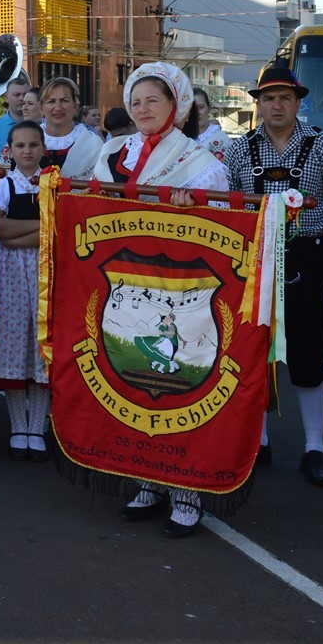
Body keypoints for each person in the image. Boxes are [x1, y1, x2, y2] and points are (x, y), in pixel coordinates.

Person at [95, 63, 230, 538]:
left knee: (178, 384)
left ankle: (186, 490)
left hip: (180, 287)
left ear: (176, 106)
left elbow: (223, 219)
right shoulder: (112, 153)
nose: (142, 108)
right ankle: (145, 481)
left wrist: (195, 204)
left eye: (153, 100)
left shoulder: (200, 159)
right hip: (126, 284)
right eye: (136, 100)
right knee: (131, 377)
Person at [224, 61, 323, 488]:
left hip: (306, 256)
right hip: (252, 257)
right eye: (268, 98)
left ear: (298, 102)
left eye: (285, 97)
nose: (276, 105)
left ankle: (313, 447)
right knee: (252, 347)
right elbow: (225, 206)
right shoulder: (238, 149)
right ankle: (257, 442)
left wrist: (306, 224)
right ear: (258, 104)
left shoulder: (322, 146)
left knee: (306, 350)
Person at [0, 119, 49, 460]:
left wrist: (18, 232)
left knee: (40, 348)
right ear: (10, 150)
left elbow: (11, 229)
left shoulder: (53, 185)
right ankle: (17, 426)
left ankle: (37, 427)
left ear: (43, 149)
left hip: (45, 274)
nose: (27, 151)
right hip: (9, 275)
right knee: (15, 347)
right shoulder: (4, 185)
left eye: (33, 145)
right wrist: (45, 226)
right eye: (20, 146)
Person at [35, 77, 103, 177]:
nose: (58, 108)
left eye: (64, 101)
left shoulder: (93, 143)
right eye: (51, 101)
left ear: (75, 106)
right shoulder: (27, 138)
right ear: (41, 107)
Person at [192, 89, 228, 161]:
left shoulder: (221, 137)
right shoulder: (182, 136)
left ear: (209, 108)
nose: (197, 113)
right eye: (192, 109)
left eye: (201, 107)